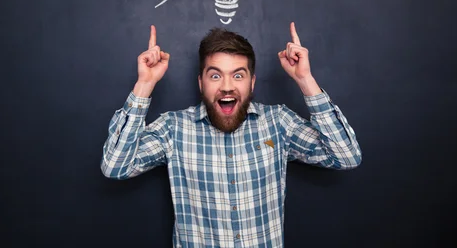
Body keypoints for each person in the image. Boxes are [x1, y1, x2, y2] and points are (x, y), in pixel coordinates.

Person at [101, 23, 362, 247]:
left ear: (252, 83)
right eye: (215, 75)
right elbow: (115, 166)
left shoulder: (278, 123)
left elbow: (346, 156)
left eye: (238, 75)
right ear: (201, 83)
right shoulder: (174, 128)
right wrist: (145, 84)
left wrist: (305, 79)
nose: (227, 86)